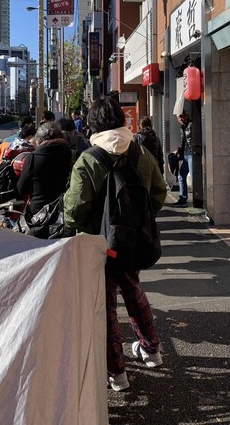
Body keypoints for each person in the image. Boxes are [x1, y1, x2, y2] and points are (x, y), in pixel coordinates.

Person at [64, 96, 167, 392]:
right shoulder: (140, 152)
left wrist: (85, 227)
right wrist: (137, 219)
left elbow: (74, 211)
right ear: (122, 121)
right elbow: (159, 192)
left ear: (92, 125)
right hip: (134, 239)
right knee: (133, 292)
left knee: (106, 306)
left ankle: (117, 373)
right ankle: (151, 350)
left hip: (99, 245)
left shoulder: (89, 159)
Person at [17, 122, 71, 216]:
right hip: (66, 209)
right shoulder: (72, 155)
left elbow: (22, 189)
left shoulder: (32, 158)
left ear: (38, 140)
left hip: (40, 213)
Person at [174, 111, 194, 207]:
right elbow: (184, 142)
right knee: (181, 175)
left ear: (186, 116)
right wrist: (178, 150)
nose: (181, 119)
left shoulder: (191, 125)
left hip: (192, 154)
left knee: (194, 177)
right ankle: (182, 199)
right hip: (186, 155)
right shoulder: (182, 128)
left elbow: (193, 140)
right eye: (179, 117)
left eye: (182, 116)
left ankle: (200, 200)